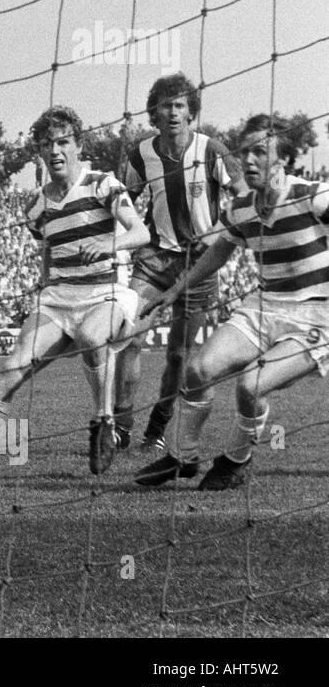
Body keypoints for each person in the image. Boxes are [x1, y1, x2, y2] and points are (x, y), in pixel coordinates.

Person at [0, 106, 151, 484]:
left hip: (105, 293)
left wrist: (109, 243)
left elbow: (140, 233)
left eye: (63, 142)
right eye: (47, 145)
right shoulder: (37, 205)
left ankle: (104, 421)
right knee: (10, 372)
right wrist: (46, 282)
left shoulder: (103, 184)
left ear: (78, 146)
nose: (56, 151)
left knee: (92, 337)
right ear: (40, 153)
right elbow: (47, 247)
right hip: (57, 300)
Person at [134, 115, 328, 489]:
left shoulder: (313, 196)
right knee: (198, 368)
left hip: (316, 317)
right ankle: (182, 457)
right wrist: (173, 291)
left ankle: (236, 460)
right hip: (264, 306)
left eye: (260, 152)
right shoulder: (241, 207)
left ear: (283, 160)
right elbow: (218, 252)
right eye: (246, 153)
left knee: (250, 386)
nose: (249, 161)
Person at [113, 74, 244, 451]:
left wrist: (224, 228)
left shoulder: (212, 149)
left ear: (191, 112)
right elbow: (124, 203)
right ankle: (121, 425)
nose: (173, 112)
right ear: (154, 111)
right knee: (129, 336)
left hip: (200, 266)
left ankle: (155, 429)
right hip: (154, 260)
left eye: (180, 105)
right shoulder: (141, 154)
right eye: (165, 105)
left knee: (178, 355)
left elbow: (243, 193)